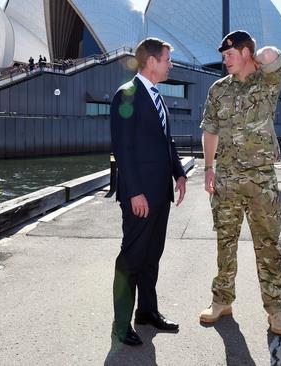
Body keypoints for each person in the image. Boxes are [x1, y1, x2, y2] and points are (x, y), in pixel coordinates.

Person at [199, 30, 281, 335]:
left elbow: (274, 57)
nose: (224, 60)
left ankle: (276, 310)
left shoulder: (267, 83)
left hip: (260, 180)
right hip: (225, 179)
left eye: (230, 54)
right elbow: (209, 130)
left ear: (246, 53)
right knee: (225, 243)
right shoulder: (217, 90)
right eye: (223, 56)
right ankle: (222, 300)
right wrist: (209, 168)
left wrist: (257, 54)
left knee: (268, 245)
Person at [109, 37, 188, 346]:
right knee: (132, 257)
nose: (171, 64)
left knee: (152, 255)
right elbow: (123, 149)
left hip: (160, 193)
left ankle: (147, 311)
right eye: (168, 59)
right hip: (140, 196)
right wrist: (135, 193)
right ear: (152, 61)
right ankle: (120, 324)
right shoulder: (126, 95)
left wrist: (178, 173)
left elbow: (166, 141)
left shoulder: (157, 95)